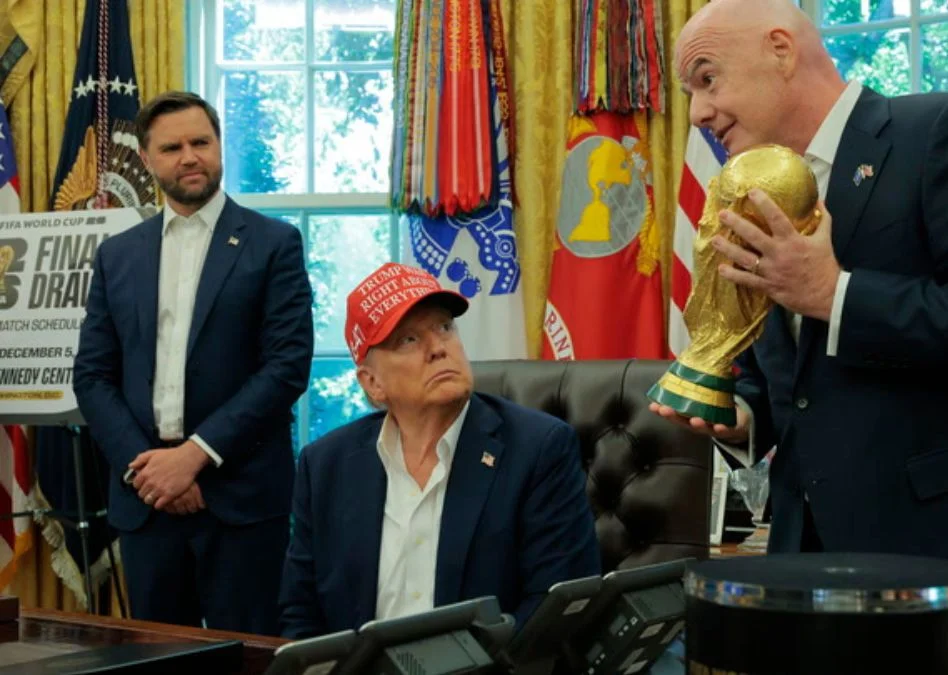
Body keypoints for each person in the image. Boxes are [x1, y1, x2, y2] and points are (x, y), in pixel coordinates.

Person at [653, 0, 948, 669]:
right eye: (689, 92)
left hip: (940, 569)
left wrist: (835, 293)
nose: (697, 112)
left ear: (782, 49)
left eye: (707, 79)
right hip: (804, 572)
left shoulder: (938, 130)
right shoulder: (751, 192)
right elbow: (791, 374)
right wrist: (743, 414)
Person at [73, 91, 314, 634]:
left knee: (251, 658)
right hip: (146, 500)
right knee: (157, 661)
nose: (189, 156)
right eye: (173, 147)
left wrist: (195, 457)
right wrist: (150, 467)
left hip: (242, 498)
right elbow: (91, 375)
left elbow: (287, 366)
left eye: (200, 142)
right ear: (148, 159)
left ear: (219, 147)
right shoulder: (118, 254)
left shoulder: (273, 243)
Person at [277, 263, 601, 639]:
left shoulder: (538, 448)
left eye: (445, 327)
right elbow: (300, 614)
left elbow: (554, 608)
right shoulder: (326, 465)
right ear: (372, 383)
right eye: (408, 340)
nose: (438, 349)